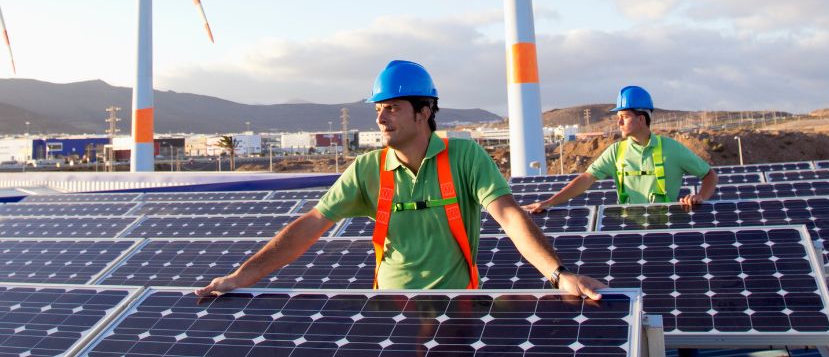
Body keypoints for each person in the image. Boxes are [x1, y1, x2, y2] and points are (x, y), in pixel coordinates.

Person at [196, 60, 605, 299]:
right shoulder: (367, 168)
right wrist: (242, 276)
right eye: (379, 109)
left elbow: (510, 218)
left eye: (392, 108)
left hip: (456, 304)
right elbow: (310, 225)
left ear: (424, 111)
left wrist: (558, 274)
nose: (380, 117)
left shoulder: (464, 156)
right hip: (389, 304)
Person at [524, 85, 717, 212]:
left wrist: (700, 197)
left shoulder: (672, 149)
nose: (619, 122)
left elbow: (709, 175)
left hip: (666, 232)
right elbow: (585, 179)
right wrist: (549, 202)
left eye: (624, 116)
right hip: (629, 230)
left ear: (641, 119)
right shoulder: (616, 151)